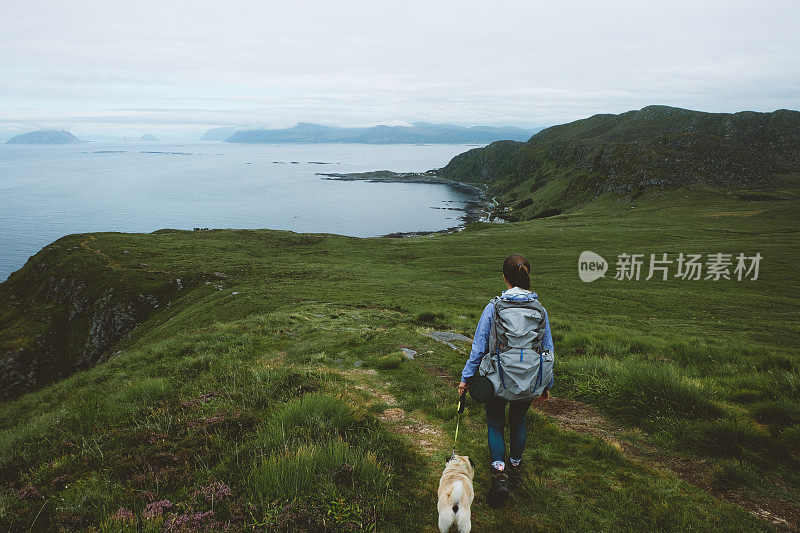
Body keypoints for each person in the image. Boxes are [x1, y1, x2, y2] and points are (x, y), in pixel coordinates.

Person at [458, 254, 554, 507]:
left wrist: (466, 380)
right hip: (530, 380)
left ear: (505, 278)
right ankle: (515, 466)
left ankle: (499, 474)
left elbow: (478, 349)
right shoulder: (540, 310)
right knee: (519, 420)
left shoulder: (494, 308)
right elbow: (547, 349)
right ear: (527, 275)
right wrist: (546, 385)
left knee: (495, 424)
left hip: (496, 380)